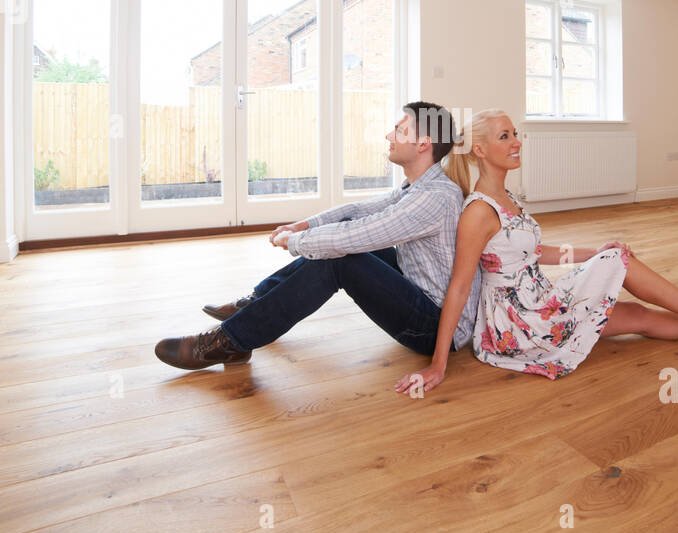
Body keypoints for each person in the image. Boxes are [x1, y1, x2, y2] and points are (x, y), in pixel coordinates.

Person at [394, 109, 678, 395]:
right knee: (620, 262)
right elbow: (460, 288)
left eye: (515, 133)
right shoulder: (479, 211)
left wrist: (592, 251)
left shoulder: (507, 198)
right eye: (504, 137)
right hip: (518, 324)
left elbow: (536, 253)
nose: (516, 142)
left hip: (539, 302)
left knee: (636, 315)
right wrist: (438, 365)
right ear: (479, 149)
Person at [155, 101, 481, 370]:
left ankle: (229, 342)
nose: (388, 135)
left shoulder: (436, 197)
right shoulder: (421, 186)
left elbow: (361, 233)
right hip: (421, 292)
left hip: (437, 328)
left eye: (399, 129)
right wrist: (306, 226)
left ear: (423, 144)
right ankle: (252, 306)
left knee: (338, 262)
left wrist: (297, 243)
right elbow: (362, 210)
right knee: (343, 251)